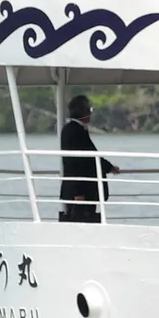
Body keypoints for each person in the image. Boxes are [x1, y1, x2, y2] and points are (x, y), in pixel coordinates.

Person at [59, 95, 120, 223]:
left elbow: (91, 156)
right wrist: (78, 193)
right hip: (80, 191)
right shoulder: (74, 131)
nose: (90, 114)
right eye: (89, 110)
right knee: (80, 221)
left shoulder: (75, 130)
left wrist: (109, 167)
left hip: (83, 189)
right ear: (83, 111)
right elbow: (74, 163)